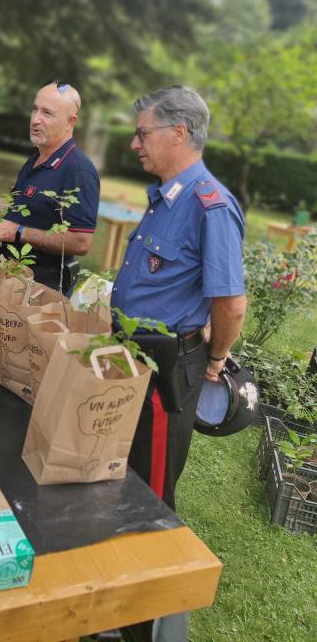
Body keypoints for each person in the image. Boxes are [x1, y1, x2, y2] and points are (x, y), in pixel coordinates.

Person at [95, 86, 246, 642]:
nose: (136, 143)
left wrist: (217, 358)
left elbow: (230, 303)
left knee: (150, 500)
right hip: (131, 360)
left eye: (143, 132)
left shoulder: (210, 205)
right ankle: (110, 601)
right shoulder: (167, 196)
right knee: (118, 483)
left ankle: (137, 627)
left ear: (178, 134)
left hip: (166, 371)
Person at [0, 80, 100, 294]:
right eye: (34, 109)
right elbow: (12, 205)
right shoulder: (35, 159)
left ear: (70, 122)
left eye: (47, 113)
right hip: (9, 278)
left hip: (41, 290)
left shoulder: (78, 171)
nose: (35, 119)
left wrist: (19, 232)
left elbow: (81, 242)